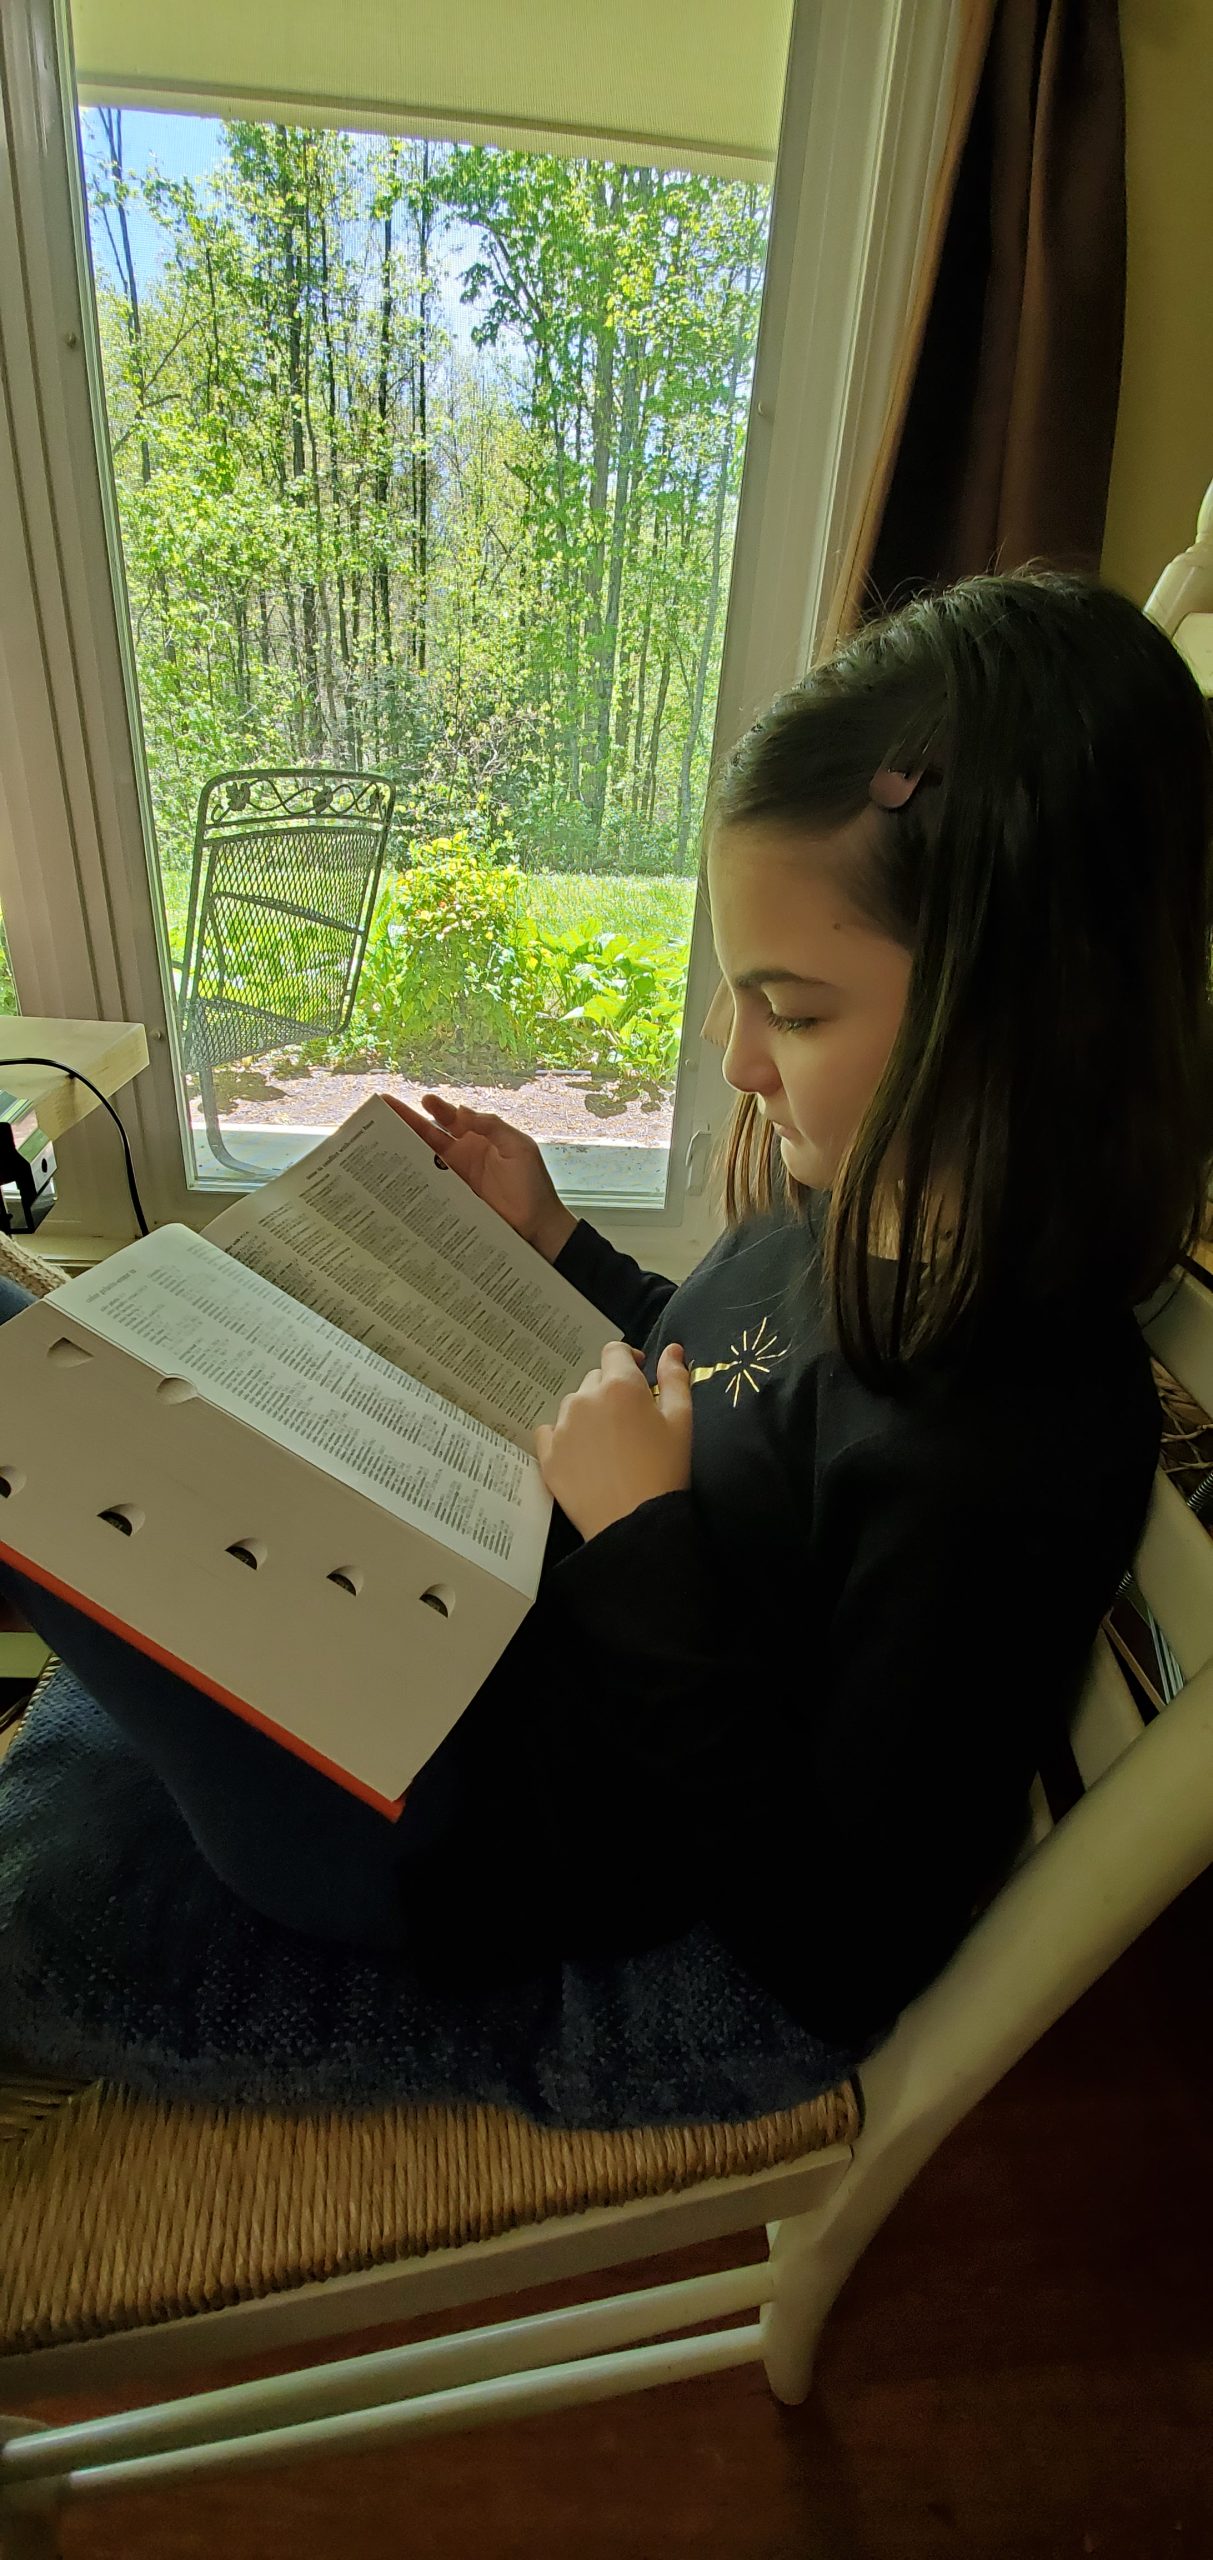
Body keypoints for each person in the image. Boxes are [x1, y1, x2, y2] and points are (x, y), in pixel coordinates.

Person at [1, 568, 1210, 2052]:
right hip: (461, 1650)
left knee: (31, 1387)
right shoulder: (865, 1194)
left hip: (454, 1831)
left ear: (1029, 1007)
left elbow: (841, 1938)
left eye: (797, 1011)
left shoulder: (1013, 1445)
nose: (741, 1060)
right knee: (78, 1377)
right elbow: (733, 1388)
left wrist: (641, 1540)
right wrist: (561, 1245)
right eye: (739, 993)